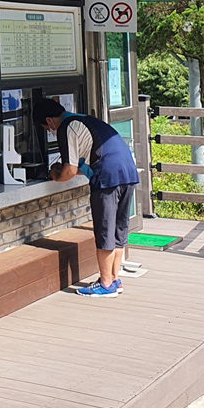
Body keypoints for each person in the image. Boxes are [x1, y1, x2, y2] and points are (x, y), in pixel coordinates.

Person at [33, 98, 139, 298]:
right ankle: (114, 279)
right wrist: (67, 169)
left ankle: (105, 283)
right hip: (128, 172)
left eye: (46, 128)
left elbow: (70, 171)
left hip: (107, 178)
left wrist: (55, 176)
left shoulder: (66, 127)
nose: (49, 131)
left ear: (49, 120)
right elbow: (85, 162)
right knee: (118, 229)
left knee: (105, 230)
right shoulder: (83, 119)